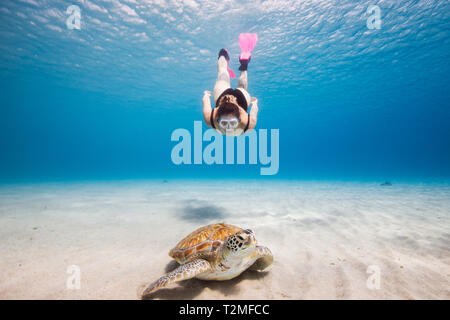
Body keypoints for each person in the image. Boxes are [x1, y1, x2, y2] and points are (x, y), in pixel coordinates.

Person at [202, 49, 258, 136]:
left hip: (228, 97)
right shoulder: (248, 125)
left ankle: (242, 64)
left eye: (232, 123)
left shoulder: (210, 119)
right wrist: (254, 104)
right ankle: (224, 55)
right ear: (217, 120)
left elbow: (205, 101)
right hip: (236, 99)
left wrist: (254, 103)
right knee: (223, 74)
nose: (228, 128)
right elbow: (254, 112)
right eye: (224, 123)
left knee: (226, 77)